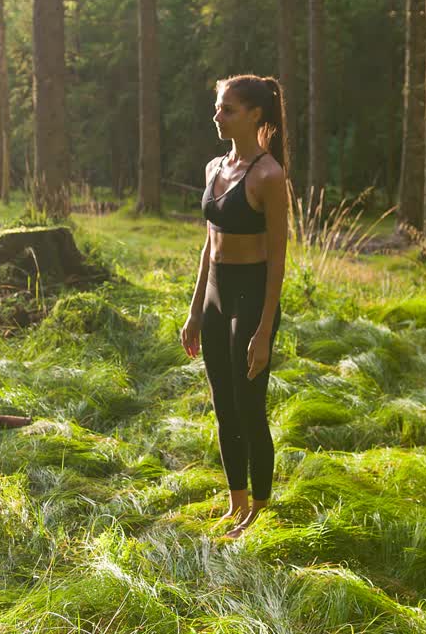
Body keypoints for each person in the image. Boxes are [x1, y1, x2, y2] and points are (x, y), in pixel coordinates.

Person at [180, 74, 290, 540]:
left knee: (250, 407)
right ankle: (236, 502)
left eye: (227, 108)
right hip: (216, 298)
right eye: (218, 107)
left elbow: (278, 260)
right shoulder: (213, 168)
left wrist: (264, 329)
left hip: (251, 298)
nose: (217, 115)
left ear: (255, 115)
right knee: (224, 406)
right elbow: (210, 246)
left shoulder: (268, 175)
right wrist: (193, 310)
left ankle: (260, 510)